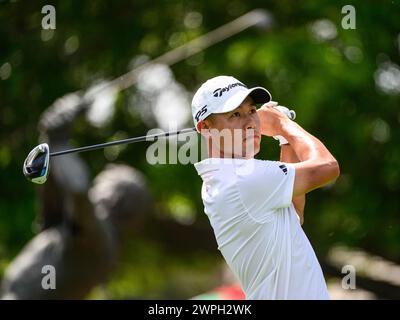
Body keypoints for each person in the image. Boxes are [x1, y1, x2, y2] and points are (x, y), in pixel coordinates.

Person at [192, 75, 340, 299]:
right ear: (206, 128)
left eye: (252, 111)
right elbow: (328, 167)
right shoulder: (243, 178)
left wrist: (284, 139)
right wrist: (283, 124)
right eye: (235, 114)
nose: (250, 122)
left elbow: (293, 214)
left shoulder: (222, 178)